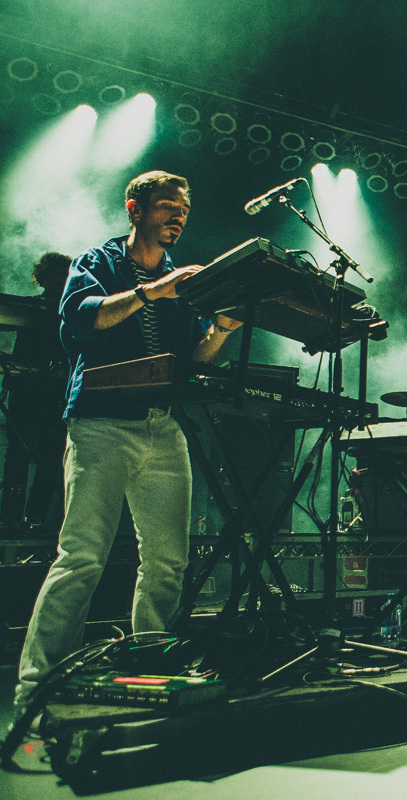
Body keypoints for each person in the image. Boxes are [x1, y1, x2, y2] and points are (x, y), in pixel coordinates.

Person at [13, 171, 244, 712]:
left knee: (167, 560)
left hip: (162, 426)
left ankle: (150, 663)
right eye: (167, 206)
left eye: (183, 209)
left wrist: (222, 331)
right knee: (81, 556)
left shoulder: (186, 283)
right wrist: (151, 291)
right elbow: (79, 321)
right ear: (134, 207)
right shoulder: (96, 263)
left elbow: (192, 363)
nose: (178, 217)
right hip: (99, 420)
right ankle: (35, 685)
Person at [1, 252, 70, 530]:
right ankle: (14, 519)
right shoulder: (31, 309)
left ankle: (30, 520)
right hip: (32, 391)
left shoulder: (70, 312)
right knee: (25, 455)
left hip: (50, 394)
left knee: (46, 456)